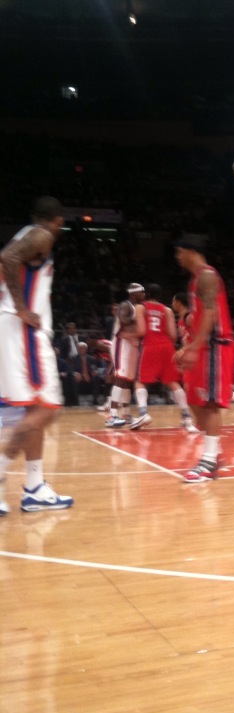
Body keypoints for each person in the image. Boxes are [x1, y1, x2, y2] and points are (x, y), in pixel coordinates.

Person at [0, 196, 74, 514]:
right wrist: (21, 308)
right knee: (46, 407)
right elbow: (7, 257)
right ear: (56, 220)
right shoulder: (41, 234)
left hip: (15, 329)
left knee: (35, 411)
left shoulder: (26, 233)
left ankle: (34, 487)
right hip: (25, 331)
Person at [174, 236, 234, 481]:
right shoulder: (195, 279)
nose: (178, 257)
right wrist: (189, 346)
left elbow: (210, 314)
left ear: (192, 251)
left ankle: (209, 462)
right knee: (195, 400)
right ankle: (215, 452)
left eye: (180, 252)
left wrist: (195, 347)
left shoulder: (207, 276)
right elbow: (200, 318)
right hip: (204, 346)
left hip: (216, 346)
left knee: (209, 404)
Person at [128, 283, 198, 432]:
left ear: (146, 294)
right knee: (173, 383)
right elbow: (173, 336)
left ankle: (143, 414)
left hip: (150, 345)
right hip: (167, 347)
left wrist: (129, 335)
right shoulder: (167, 310)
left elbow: (141, 331)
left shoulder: (141, 307)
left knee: (140, 381)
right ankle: (186, 418)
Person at [172, 291, 234, 420]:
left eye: (173, 301)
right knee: (192, 387)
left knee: (202, 387)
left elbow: (201, 336)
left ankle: (194, 419)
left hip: (200, 355)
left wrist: (187, 351)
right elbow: (187, 340)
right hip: (191, 356)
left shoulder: (189, 318)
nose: (172, 304)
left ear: (179, 303)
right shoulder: (181, 320)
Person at [105, 283, 145, 428]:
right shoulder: (125, 305)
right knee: (121, 379)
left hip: (132, 344)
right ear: (133, 294)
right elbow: (123, 320)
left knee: (128, 381)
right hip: (122, 344)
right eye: (142, 292)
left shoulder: (139, 307)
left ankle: (126, 414)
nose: (144, 295)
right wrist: (140, 322)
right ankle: (112, 415)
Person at [71, 341, 102, 406]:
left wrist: (96, 371)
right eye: (79, 348)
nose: (81, 350)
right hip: (80, 378)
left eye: (83, 348)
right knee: (74, 379)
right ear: (77, 349)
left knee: (97, 378)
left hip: (90, 378)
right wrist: (75, 373)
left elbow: (95, 368)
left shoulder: (92, 359)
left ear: (86, 349)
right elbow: (71, 370)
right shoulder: (74, 359)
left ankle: (95, 400)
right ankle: (75, 402)